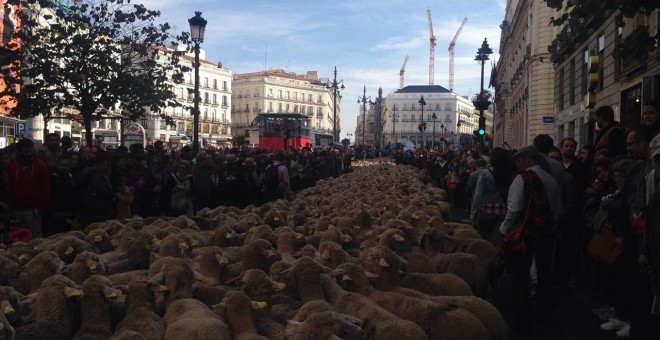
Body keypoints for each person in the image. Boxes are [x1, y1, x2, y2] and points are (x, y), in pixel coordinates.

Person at [499, 146, 561, 333]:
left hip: (525, 233)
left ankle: (521, 318)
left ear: (527, 160)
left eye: (519, 161)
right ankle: (544, 312)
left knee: (520, 276)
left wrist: (504, 229)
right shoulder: (551, 179)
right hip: (547, 232)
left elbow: (515, 207)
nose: (517, 165)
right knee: (544, 272)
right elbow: (557, 208)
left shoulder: (522, 179)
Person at [8, 138, 51, 238]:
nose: (28, 154)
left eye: (30, 151)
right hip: (17, 209)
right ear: (19, 152)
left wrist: (40, 208)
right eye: (25, 151)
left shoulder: (40, 166)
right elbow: (10, 187)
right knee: (18, 236)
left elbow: (46, 188)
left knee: (35, 237)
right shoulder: (14, 166)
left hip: (33, 210)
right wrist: (11, 208)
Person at [470, 148, 513, 246]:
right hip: (503, 210)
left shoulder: (485, 173)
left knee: (482, 240)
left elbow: (477, 195)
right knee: (498, 239)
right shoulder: (510, 172)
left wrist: (473, 213)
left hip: (486, 210)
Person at [43, 155, 77, 236]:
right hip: (55, 216)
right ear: (57, 165)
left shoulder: (71, 178)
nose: (63, 168)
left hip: (69, 215)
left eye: (66, 165)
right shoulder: (52, 178)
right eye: (61, 165)